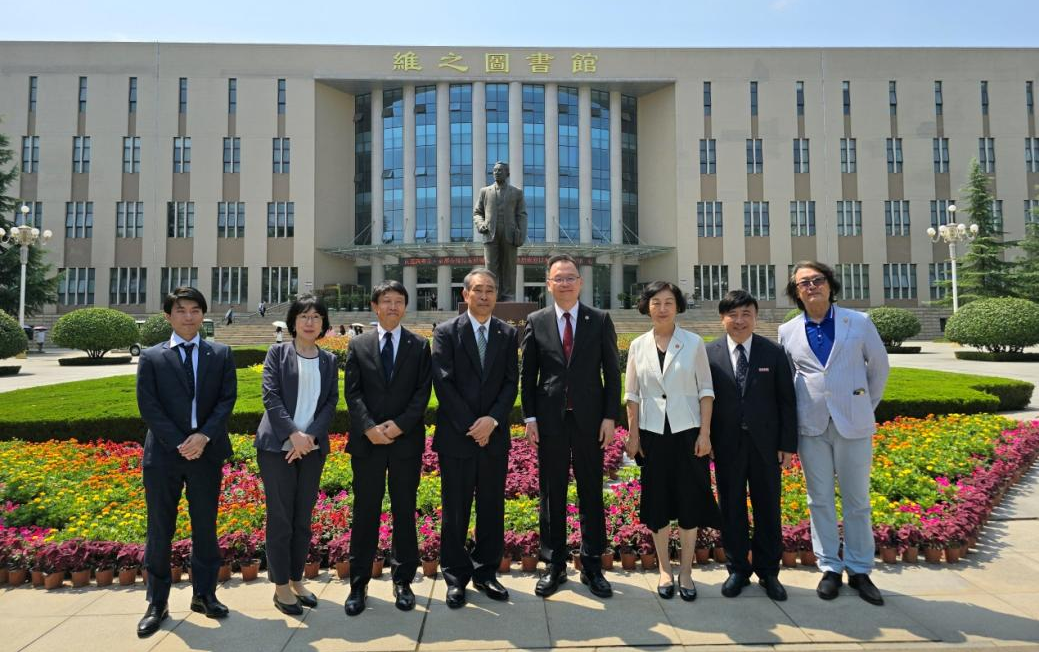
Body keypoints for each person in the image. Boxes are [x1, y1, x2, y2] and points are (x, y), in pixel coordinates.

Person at [778, 261, 890, 606]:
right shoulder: (788, 331)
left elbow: (879, 368)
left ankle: (859, 569)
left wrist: (862, 405)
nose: (812, 286)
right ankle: (829, 567)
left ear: (830, 285)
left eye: (818, 280)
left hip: (852, 425)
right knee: (819, 499)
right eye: (804, 283)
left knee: (857, 501)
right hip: (811, 426)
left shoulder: (858, 322)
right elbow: (788, 380)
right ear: (796, 292)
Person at [135, 287, 237, 638]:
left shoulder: (220, 354)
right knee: (160, 528)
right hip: (164, 455)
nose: (189, 316)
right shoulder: (152, 357)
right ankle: (157, 602)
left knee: (205, 526)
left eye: (195, 310)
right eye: (181, 310)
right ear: (168, 316)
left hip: (206, 453)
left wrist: (203, 437)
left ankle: (204, 595)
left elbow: (226, 400)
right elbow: (148, 406)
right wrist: (180, 442)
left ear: (203, 314)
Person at [521, 254, 620, 599]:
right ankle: (555, 564)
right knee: (552, 493)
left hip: (590, 421)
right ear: (548, 284)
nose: (564, 283)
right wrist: (530, 418)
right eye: (558, 278)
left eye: (570, 277)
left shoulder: (599, 319)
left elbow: (612, 372)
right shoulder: (536, 321)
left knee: (591, 491)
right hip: (550, 421)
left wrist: (610, 417)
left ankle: (592, 565)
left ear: (580, 282)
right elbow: (528, 375)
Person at [623, 281, 720, 602]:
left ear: (678, 306)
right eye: (656, 302)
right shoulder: (638, 346)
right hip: (652, 436)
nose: (662, 308)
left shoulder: (693, 343)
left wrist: (705, 433)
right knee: (657, 503)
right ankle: (665, 570)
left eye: (668, 302)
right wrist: (633, 435)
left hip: (688, 433)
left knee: (690, 501)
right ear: (646, 307)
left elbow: (706, 391)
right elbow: (632, 395)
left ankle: (687, 571)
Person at [343, 280, 433, 616]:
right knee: (365, 512)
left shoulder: (419, 345)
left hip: (404, 442)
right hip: (367, 444)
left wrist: (400, 425)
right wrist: (369, 427)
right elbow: (352, 393)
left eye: (398, 301)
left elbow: (422, 393)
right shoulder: (359, 344)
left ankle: (403, 581)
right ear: (375, 306)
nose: (392, 306)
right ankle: (358, 584)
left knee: (404, 511)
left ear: (405, 307)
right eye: (386, 301)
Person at [432, 268, 519, 609]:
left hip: (493, 438)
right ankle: (455, 578)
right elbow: (443, 383)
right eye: (478, 290)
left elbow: (511, 382)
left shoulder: (507, 333)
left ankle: (485, 573)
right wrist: (473, 426)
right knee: (455, 511)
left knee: (491, 508)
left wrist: (492, 421)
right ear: (465, 294)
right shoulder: (446, 332)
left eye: (490, 290)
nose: (484, 296)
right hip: (458, 437)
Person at [706, 289, 797, 601]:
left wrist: (787, 444)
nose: (740, 320)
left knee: (768, 507)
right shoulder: (709, 354)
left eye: (746, 314)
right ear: (722, 319)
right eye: (733, 314)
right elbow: (701, 399)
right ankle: (737, 570)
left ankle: (769, 572)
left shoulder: (773, 352)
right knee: (731, 508)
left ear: (756, 317)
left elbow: (787, 401)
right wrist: (706, 438)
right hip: (726, 445)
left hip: (766, 446)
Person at [255, 294, 339, 616]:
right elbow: (271, 396)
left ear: (323, 323)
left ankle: (296, 579)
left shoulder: (328, 360)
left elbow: (330, 402)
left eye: (316, 316)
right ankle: (280, 587)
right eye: (304, 316)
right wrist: (293, 435)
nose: (309, 322)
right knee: (280, 518)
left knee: (303, 519)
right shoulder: (277, 353)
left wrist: (309, 438)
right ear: (293, 321)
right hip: (277, 449)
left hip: (312, 450)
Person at [473, 161, 527, 302]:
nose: (497, 173)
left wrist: (521, 235)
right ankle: (493, 294)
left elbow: (521, 214)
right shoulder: (485, 191)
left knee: (509, 267)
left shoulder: (517, 192)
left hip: (510, 234)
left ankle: (508, 295)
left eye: (500, 170)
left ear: (507, 173)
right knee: (491, 267)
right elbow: (477, 212)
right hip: (490, 233)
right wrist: (481, 224)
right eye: (495, 170)